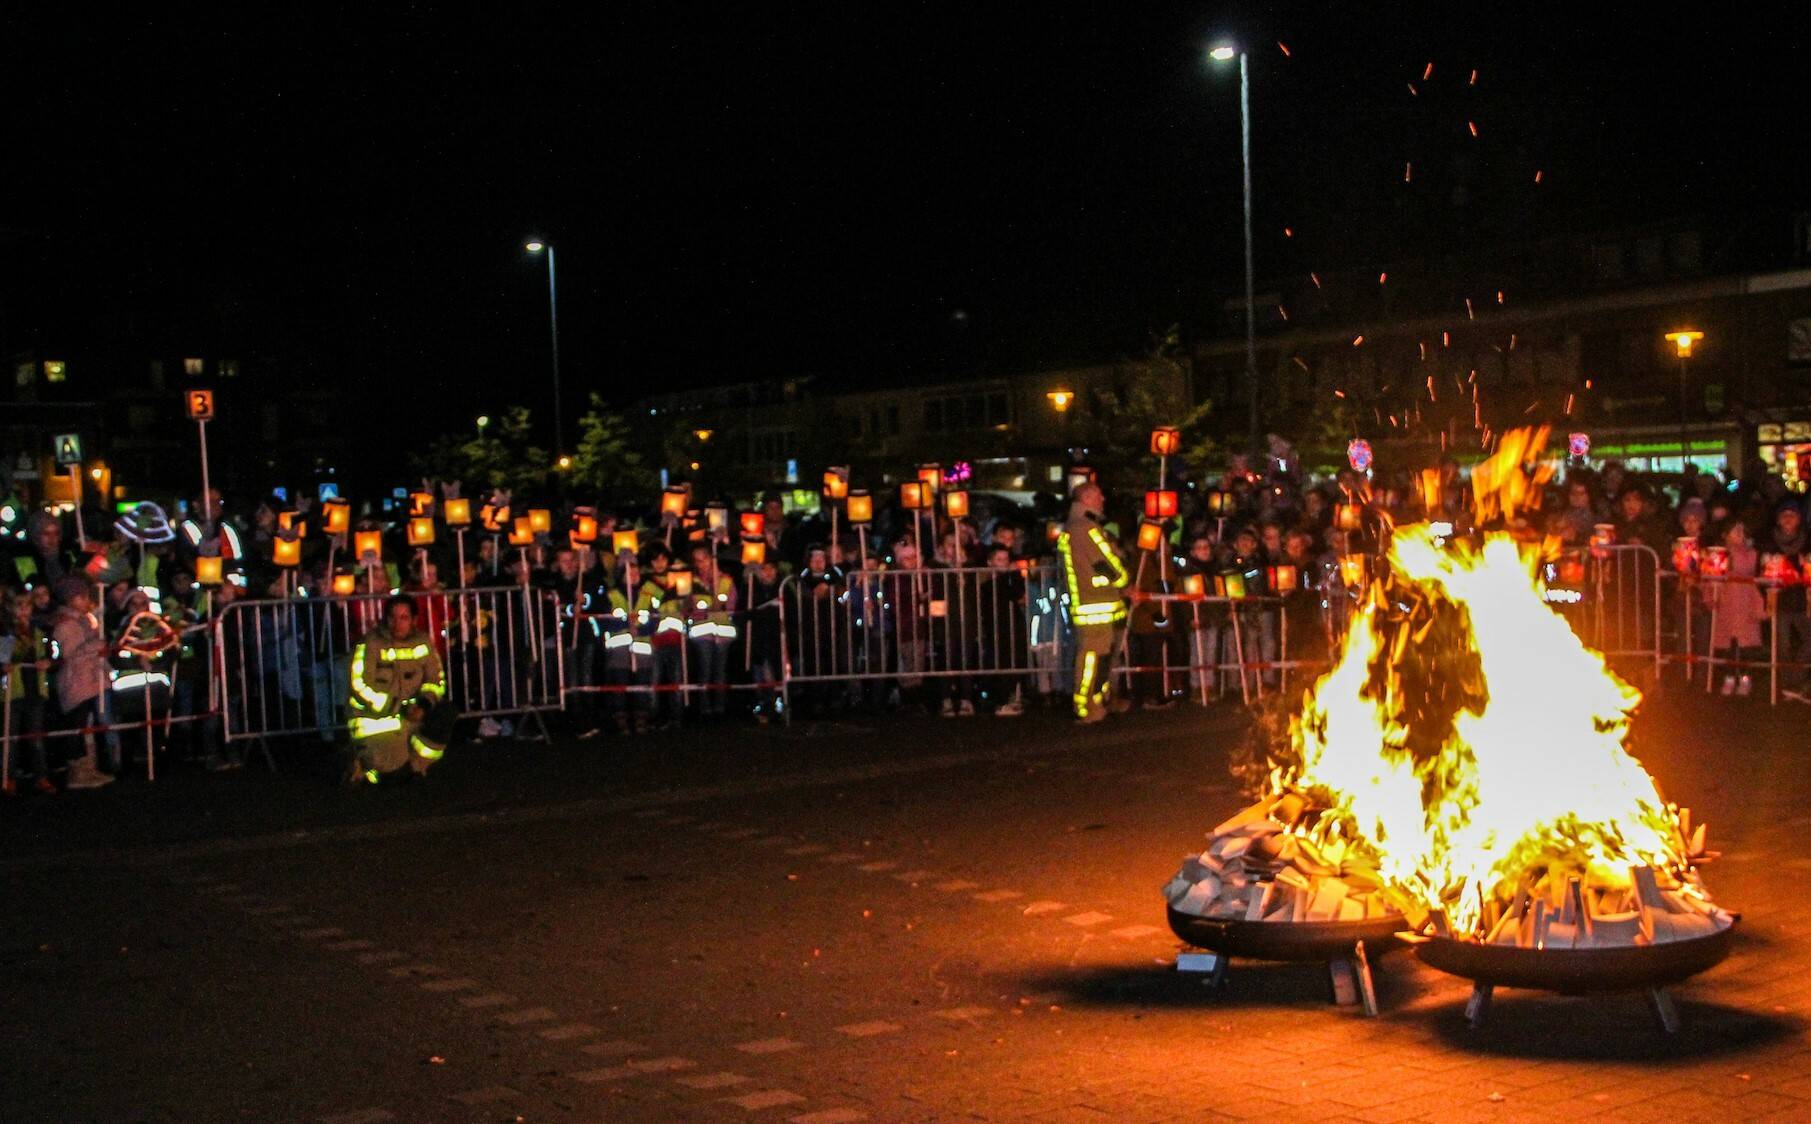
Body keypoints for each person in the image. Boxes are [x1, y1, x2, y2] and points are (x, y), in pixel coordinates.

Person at [345, 595, 449, 785]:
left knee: (445, 713)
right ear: (384, 618)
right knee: (393, 779)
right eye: (393, 617)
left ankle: (417, 766)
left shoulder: (423, 642)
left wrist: (424, 705)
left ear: (413, 620)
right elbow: (359, 686)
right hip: (376, 722)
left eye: (404, 618)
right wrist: (399, 708)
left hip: (411, 718)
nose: (397, 623)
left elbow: (436, 680)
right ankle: (366, 765)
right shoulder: (369, 644)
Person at [1058, 481, 1129, 723]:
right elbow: (1104, 562)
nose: (1103, 499)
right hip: (1094, 604)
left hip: (1099, 603)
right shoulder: (1084, 528)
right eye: (1098, 495)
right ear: (1086, 497)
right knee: (1092, 657)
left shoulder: (1083, 526)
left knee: (1102, 657)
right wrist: (1123, 581)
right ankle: (1087, 705)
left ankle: (1099, 699)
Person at [49, 576, 116, 789]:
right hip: (77, 681)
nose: (86, 600)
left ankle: (89, 769)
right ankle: (78, 772)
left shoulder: (84, 620)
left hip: (90, 679)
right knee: (77, 726)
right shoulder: (65, 625)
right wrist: (95, 645)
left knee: (86, 725)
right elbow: (69, 653)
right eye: (82, 596)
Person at [3, 588, 55, 794]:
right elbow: (2, 661)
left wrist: (47, 662)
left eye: (27, 607)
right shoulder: (6, 634)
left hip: (35, 689)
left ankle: (41, 777)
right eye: (20, 607)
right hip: (13, 691)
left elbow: (52, 655)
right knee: (11, 738)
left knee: (36, 737)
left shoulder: (39, 632)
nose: (24, 612)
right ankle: (8, 778)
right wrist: (3, 667)